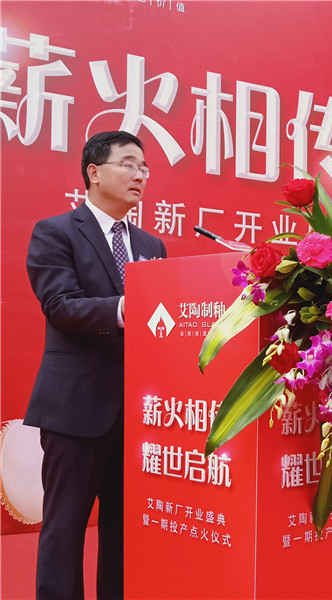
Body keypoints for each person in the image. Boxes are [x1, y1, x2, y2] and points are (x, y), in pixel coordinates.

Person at [24, 130, 167, 600]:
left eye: (143, 168)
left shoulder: (152, 244)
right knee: (64, 529)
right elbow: (60, 306)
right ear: (94, 172)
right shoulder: (56, 231)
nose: (139, 175)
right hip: (75, 410)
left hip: (138, 415)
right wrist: (127, 307)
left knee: (126, 531)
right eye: (128, 164)